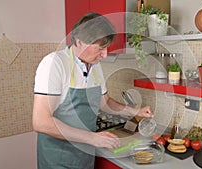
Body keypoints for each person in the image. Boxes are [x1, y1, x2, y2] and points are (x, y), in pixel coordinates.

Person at [32, 12, 153, 169]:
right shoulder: (54, 64)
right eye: (101, 48)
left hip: (84, 156)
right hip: (58, 158)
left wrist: (136, 111)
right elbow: (41, 122)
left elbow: (105, 102)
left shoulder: (95, 66)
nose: (105, 54)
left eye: (106, 48)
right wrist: (92, 138)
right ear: (80, 41)